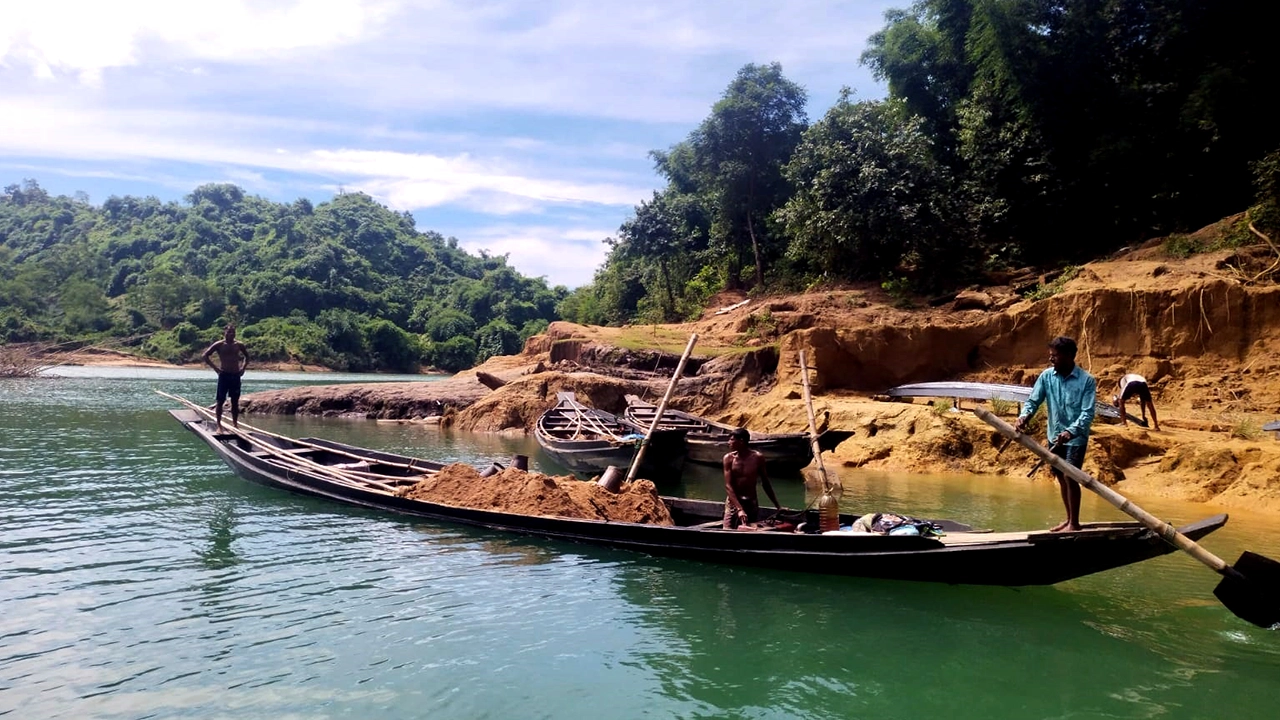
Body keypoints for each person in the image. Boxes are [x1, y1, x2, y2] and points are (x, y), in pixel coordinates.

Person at [1015, 336, 1097, 532]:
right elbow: (1033, 401)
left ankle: (1074, 524)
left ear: (1069, 356)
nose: (1052, 360)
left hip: (1075, 439)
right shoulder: (1046, 377)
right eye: (1051, 356)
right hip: (1054, 436)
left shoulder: (1086, 381)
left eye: (1056, 356)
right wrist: (1024, 416)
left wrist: (1071, 431)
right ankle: (1068, 520)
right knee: (1060, 476)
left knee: (1071, 476)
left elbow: (1087, 413)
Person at [722, 427, 782, 529]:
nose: (728, 442)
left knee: (751, 532)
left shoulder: (757, 458)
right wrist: (739, 509)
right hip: (733, 503)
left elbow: (765, 483)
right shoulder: (728, 459)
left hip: (751, 503)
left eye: (732, 440)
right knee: (727, 532)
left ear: (741, 441)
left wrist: (777, 506)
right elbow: (728, 486)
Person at [202, 324, 250, 431]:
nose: (231, 334)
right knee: (220, 401)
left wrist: (243, 368)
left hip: (235, 375)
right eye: (229, 332)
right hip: (224, 375)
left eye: (233, 332)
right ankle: (219, 425)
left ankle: (235, 424)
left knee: (235, 401)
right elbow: (205, 355)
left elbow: (247, 357)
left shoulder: (239, 345)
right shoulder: (219, 344)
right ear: (225, 333)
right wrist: (216, 369)